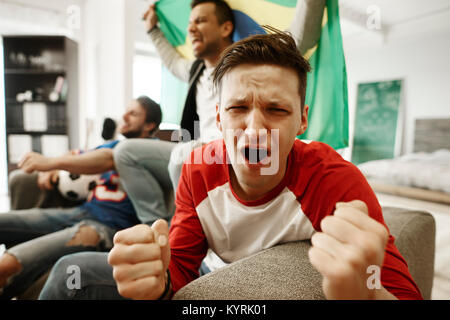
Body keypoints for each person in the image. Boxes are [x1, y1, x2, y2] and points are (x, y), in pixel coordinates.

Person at [106, 30, 423, 300]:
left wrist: (369, 293)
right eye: (237, 108)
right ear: (219, 117)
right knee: (71, 268)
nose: (255, 130)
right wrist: (157, 280)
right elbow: (181, 268)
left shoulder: (333, 179)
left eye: (276, 110)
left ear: (302, 120)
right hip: (211, 270)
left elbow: (404, 291)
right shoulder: (197, 170)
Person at [113, 0, 326, 266]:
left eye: (200, 21)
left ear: (226, 27)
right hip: (198, 145)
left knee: (184, 155)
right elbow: (171, 61)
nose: (191, 28)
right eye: (189, 23)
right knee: (126, 151)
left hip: (227, 150)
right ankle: (159, 232)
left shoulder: (254, 64)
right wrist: (153, 31)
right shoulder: (195, 71)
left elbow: (301, 36)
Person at [0, 96, 163, 300]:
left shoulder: (151, 152)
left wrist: (51, 162)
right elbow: (80, 155)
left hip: (105, 227)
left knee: (6, 264)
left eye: (133, 113)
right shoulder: (113, 143)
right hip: (80, 212)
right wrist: (56, 170)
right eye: (126, 111)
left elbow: (106, 159)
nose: (124, 116)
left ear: (150, 125)